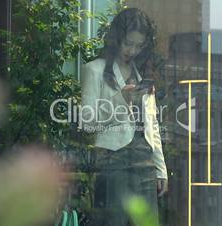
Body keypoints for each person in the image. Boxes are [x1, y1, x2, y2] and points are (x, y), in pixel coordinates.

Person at [80, 8, 167, 226]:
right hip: (113, 162)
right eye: (128, 43)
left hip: (144, 163)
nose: (132, 50)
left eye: (139, 45)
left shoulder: (143, 77)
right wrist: (122, 99)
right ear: (117, 38)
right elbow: (88, 122)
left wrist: (160, 169)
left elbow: (152, 126)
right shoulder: (94, 71)